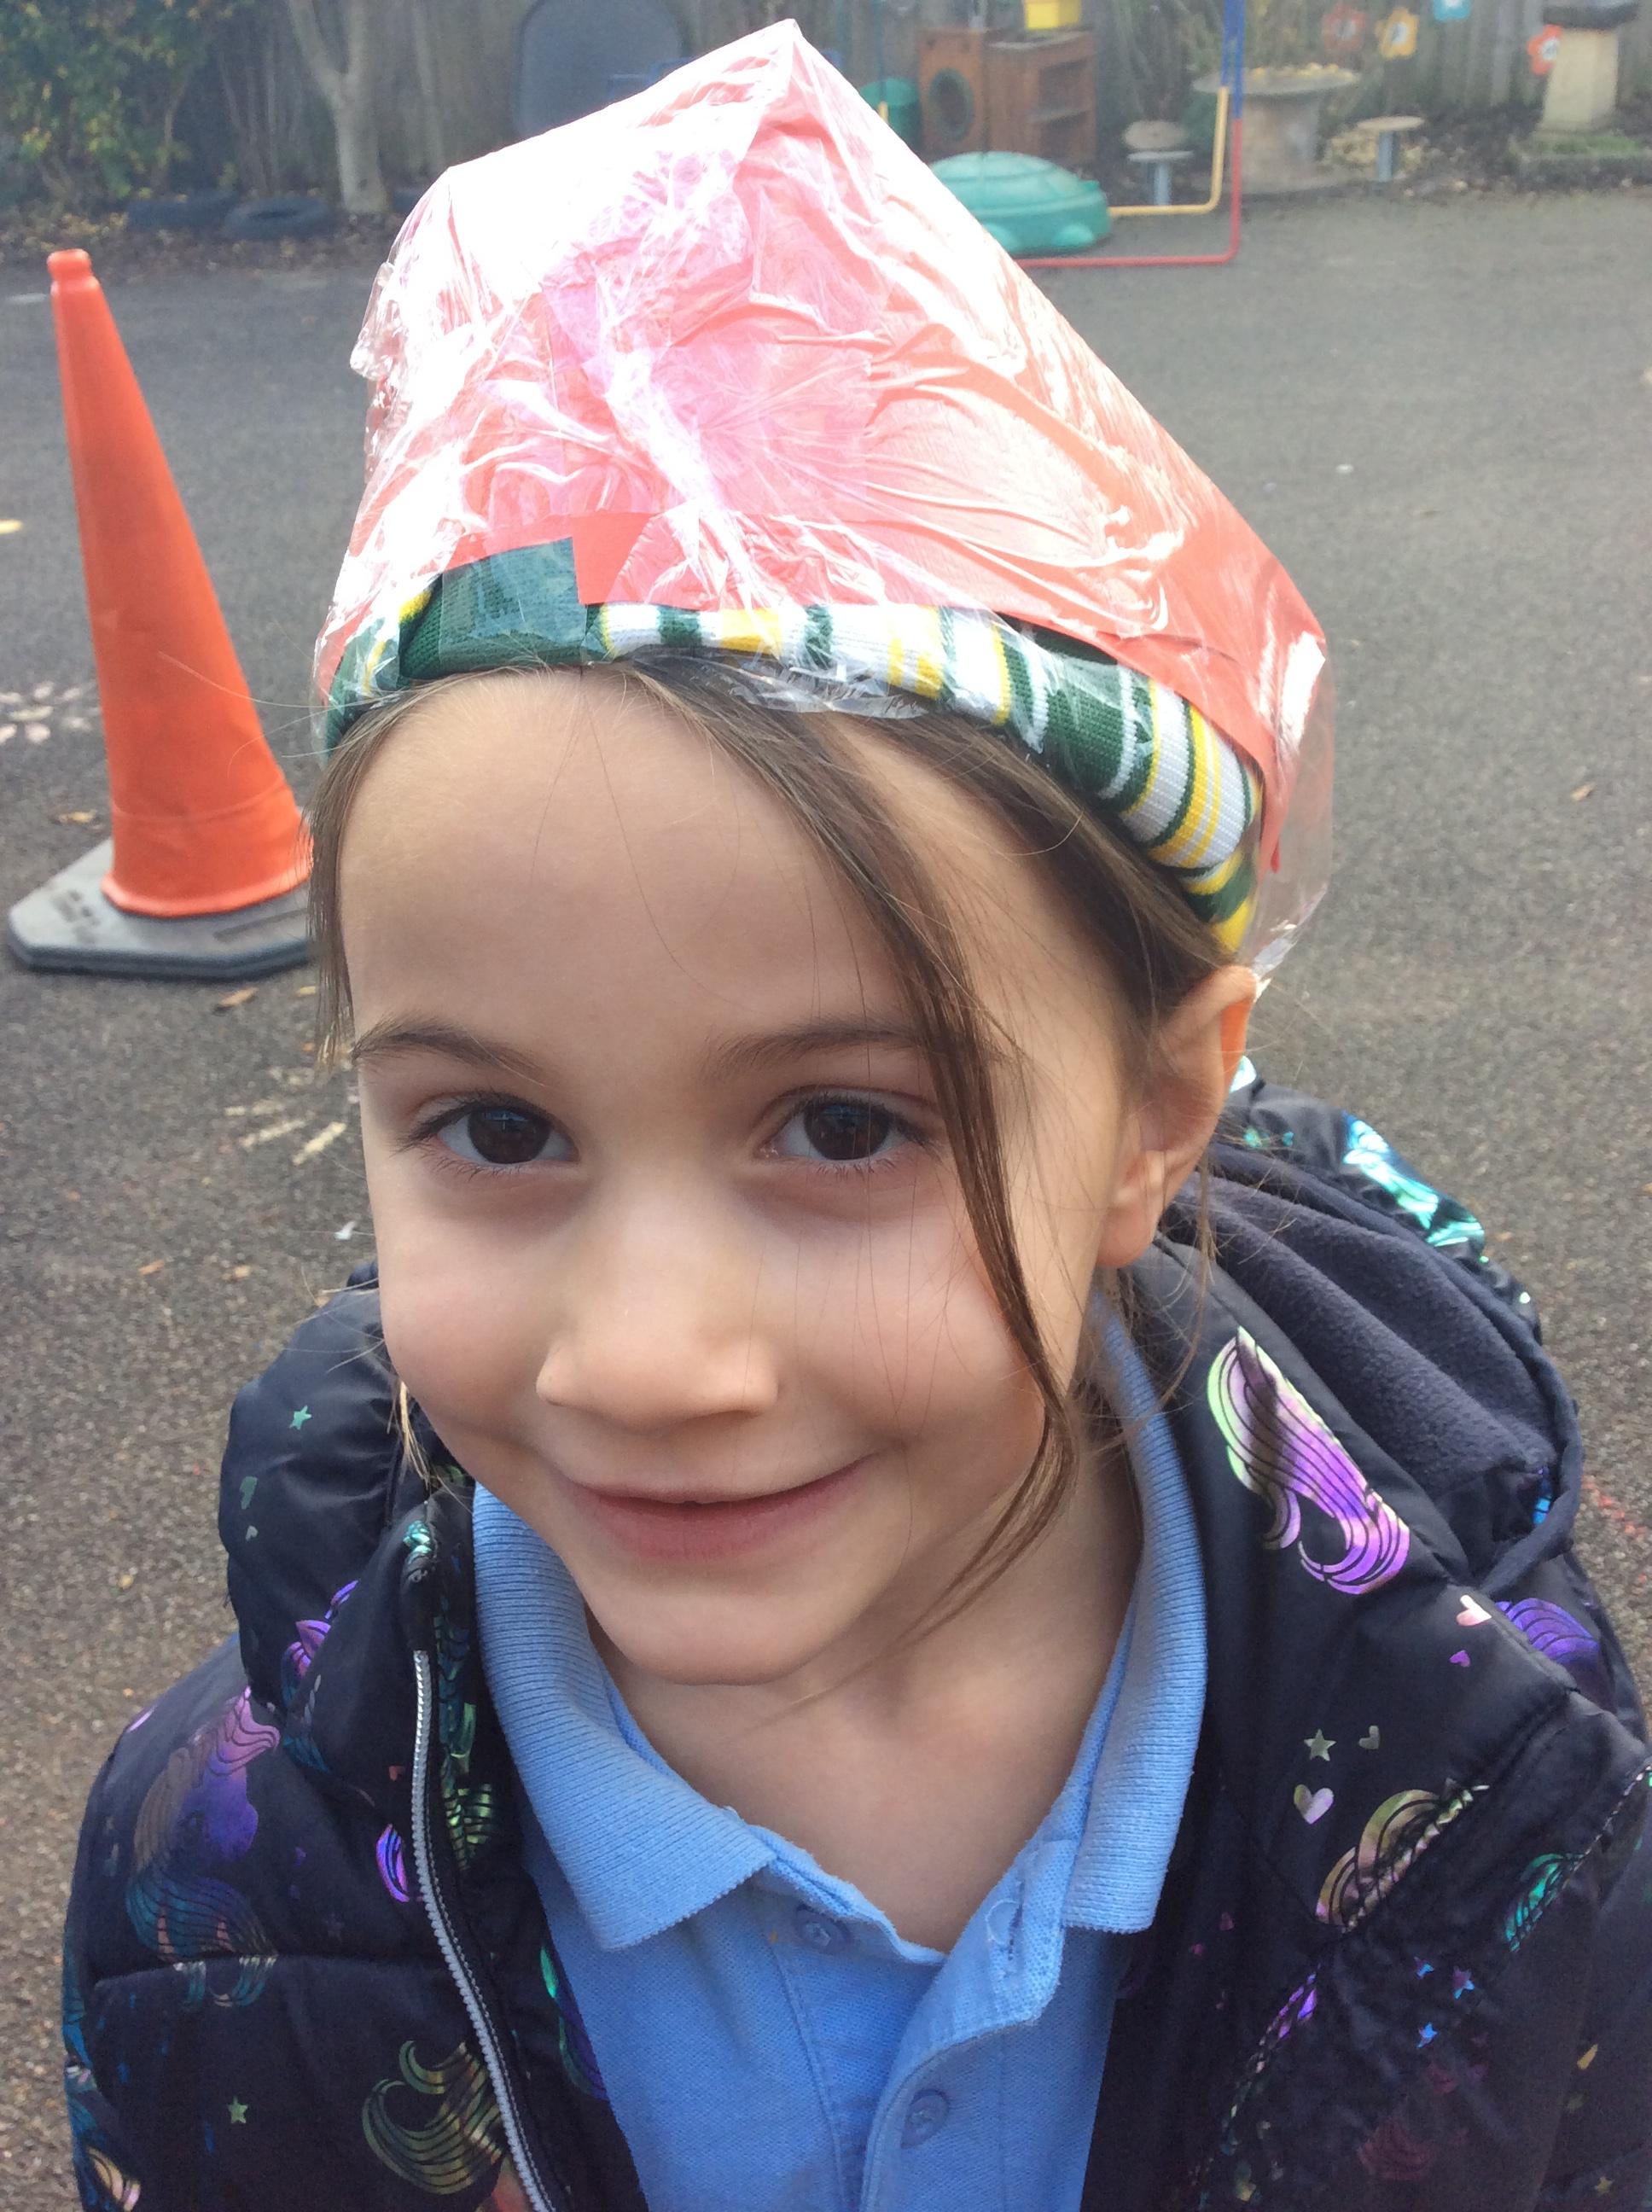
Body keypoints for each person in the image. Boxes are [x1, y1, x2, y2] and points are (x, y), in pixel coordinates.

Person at [62, 26, 1652, 2212]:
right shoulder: (227, 1875)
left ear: (1153, 1114)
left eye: (837, 1127)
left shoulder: (1483, 1777)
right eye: (498, 1131)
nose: (644, 1360)